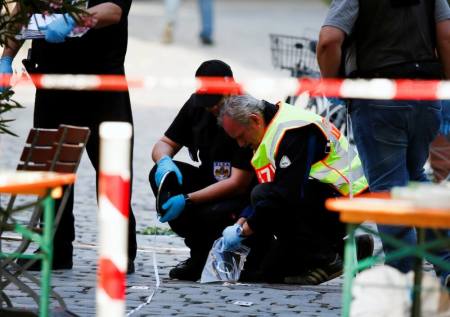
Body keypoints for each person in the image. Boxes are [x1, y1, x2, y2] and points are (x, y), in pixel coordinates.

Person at [317, 0, 450, 283]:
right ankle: (447, 262)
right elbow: (447, 35)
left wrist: (331, 84)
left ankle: (403, 277)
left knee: (390, 190)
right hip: (426, 95)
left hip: (378, 98)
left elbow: (328, 40)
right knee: (413, 180)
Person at [0, 0, 137, 273]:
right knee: (52, 167)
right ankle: (55, 248)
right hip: (53, 80)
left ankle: (119, 251)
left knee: (112, 169)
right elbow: (22, 11)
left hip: (101, 82)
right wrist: (6, 58)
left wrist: (74, 20)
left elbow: (113, 11)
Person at [218, 94, 372, 284]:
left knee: (264, 196)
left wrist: (246, 230)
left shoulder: (292, 132)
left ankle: (327, 259)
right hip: (325, 199)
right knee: (268, 274)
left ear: (255, 120)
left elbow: (284, 195)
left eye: (241, 136)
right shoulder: (272, 128)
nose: (240, 144)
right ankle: (350, 249)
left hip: (349, 201)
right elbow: (274, 185)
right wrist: (243, 219)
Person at [149, 60, 256, 281]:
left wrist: (188, 200)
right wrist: (164, 162)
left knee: (209, 212)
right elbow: (164, 143)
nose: (212, 107)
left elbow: (238, 183)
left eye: (216, 101)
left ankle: (219, 255)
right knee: (162, 178)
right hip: (207, 179)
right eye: (207, 101)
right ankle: (198, 255)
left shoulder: (246, 112)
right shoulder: (197, 105)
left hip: (238, 195)